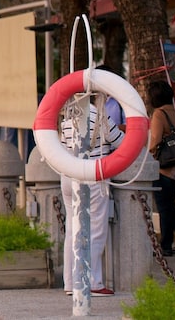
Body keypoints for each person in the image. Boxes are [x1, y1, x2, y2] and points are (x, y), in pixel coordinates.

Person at [59, 96, 123, 297]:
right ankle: (91, 281)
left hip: (68, 176)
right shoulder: (100, 116)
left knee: (72, 229)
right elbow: (120, 142)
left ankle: (70, 282)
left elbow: (61, 148)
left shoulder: (68, 120)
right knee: (95, 229)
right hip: (93, 175)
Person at [147, 80, 175, 257]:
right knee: (170, 206)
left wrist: (151, 155)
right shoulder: (174, 112)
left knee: (164, 207)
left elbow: (156, 140)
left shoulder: (159, 114)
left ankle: (165, 245)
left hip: (163, 167)